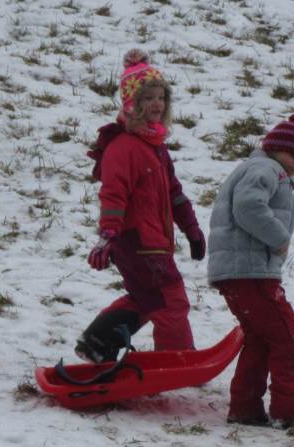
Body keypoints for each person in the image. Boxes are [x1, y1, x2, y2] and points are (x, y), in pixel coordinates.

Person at [76, 49, 204, 363]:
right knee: (169, 301)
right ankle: (176, 360)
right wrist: (108, 235)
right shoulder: (124, 148)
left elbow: (174, 193)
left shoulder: (155, 147)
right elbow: (113, 194)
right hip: (136, 240)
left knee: (148, 299)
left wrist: (192, 230)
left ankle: (96, 341)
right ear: (132, 103)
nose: (157, 104)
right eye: (148, 98)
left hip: (155, 241)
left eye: (161, 97)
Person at [206, 114, 294, 430]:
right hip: (250, 272)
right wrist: (279, 238)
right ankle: (289, 411)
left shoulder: (261, 168)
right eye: (293, 155)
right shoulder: (266, 169)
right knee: (286, 337)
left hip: (240, 272)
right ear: (274, 147)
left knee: (260, 339)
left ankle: (245, 408)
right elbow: (248, 207)